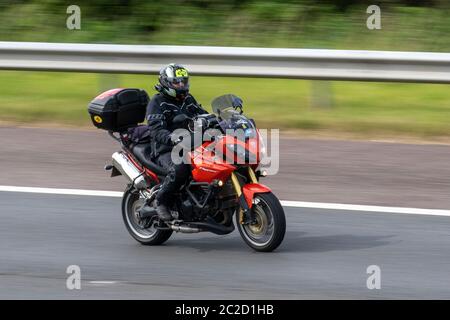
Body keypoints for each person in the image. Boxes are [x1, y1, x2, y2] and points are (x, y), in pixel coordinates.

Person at [146, 63, 208, 221]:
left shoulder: (187, 99)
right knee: (180, 169)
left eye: (183, 81)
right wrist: (172, 137)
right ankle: (161, 202)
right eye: (176, 82)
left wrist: (219, 120)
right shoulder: (157, 102)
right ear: (166, 82)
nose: (181, 85)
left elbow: (203, 114)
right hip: (166, 149)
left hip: (191, 144)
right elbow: (156, 130)